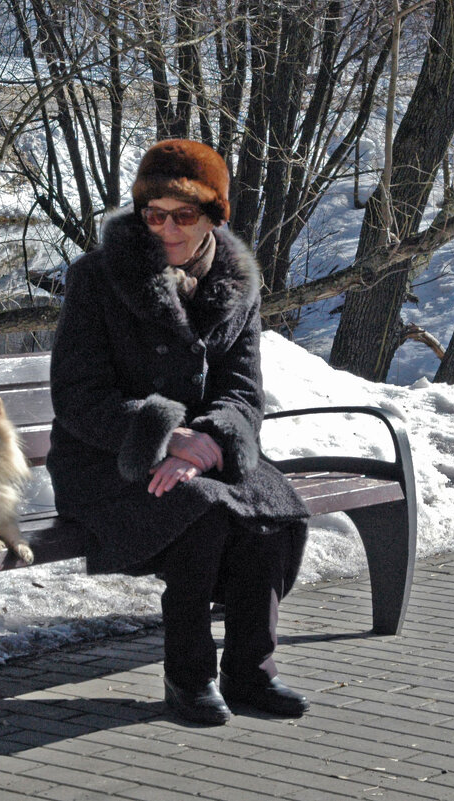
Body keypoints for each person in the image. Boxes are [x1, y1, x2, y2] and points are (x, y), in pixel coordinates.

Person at [46, 139, 311, 725]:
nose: (166, 227)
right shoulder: (98, 278)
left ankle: (251, 672)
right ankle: (188, 679)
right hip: (106, 459)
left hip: (202, 453)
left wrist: (212, 438)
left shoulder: (237, 283)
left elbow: (242, 390)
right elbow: (78, 398)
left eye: (183, 215)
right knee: (200, 512)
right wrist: (165, 436)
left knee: (271, 513)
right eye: (154, 214)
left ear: (215, 216)